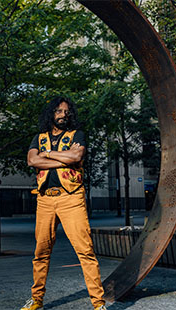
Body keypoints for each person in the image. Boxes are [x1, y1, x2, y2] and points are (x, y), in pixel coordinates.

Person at [20, 97, 106, 310]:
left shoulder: (77, 135)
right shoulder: (38, 138)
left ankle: (99, 304)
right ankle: (36, 299)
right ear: (51, 113)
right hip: (45, 199)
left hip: (72, 198)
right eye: (58, 111)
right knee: (41, 252)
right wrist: (64, 158)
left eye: (66, 112)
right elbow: (32, 160)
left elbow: (77, 156)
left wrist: (47, 155)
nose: (63, 115)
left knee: (85, 251)